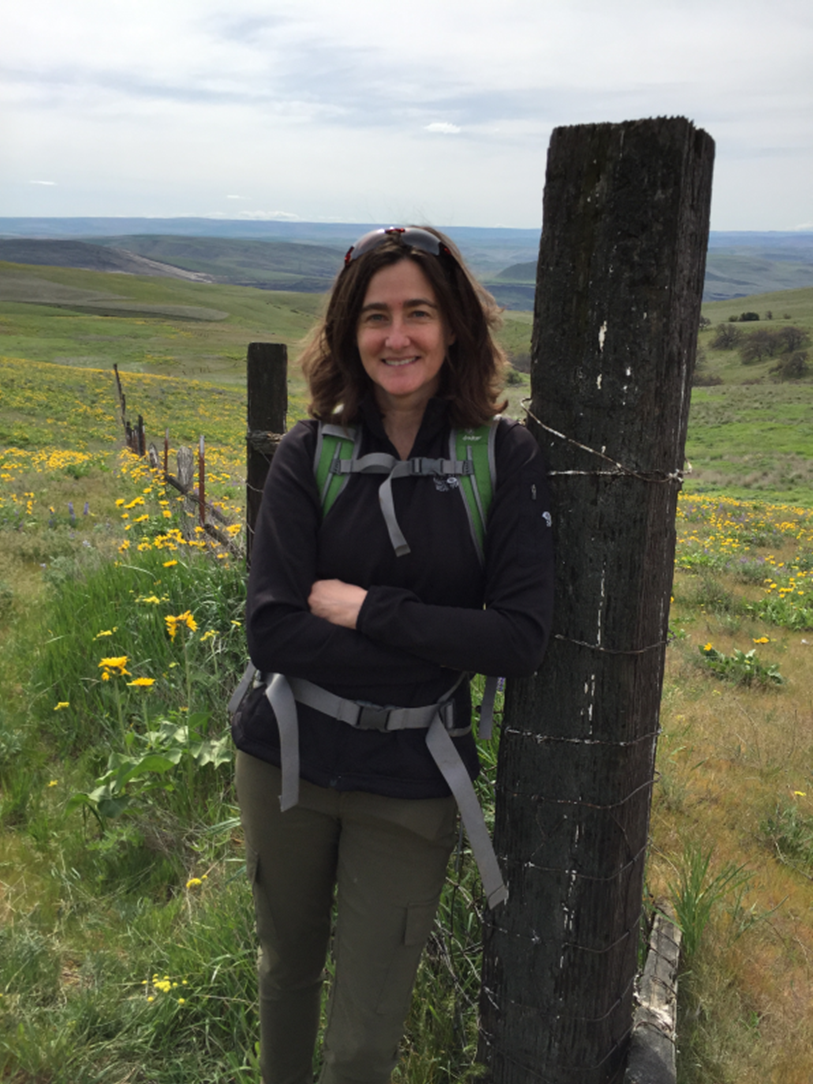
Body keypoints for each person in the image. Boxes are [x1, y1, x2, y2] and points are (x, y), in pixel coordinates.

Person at [233, 226, 554, 1084]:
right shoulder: (308, 453)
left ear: (454, 326)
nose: (397, 336)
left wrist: (367, 608)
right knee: (284, 977)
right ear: (349, 332)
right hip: (286, 759)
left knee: (363, 1045)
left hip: (413, 778)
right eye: (376, 316)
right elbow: (272, 631)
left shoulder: (504, 457)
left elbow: (520, 637)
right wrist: (441, 637)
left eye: (419, 311)